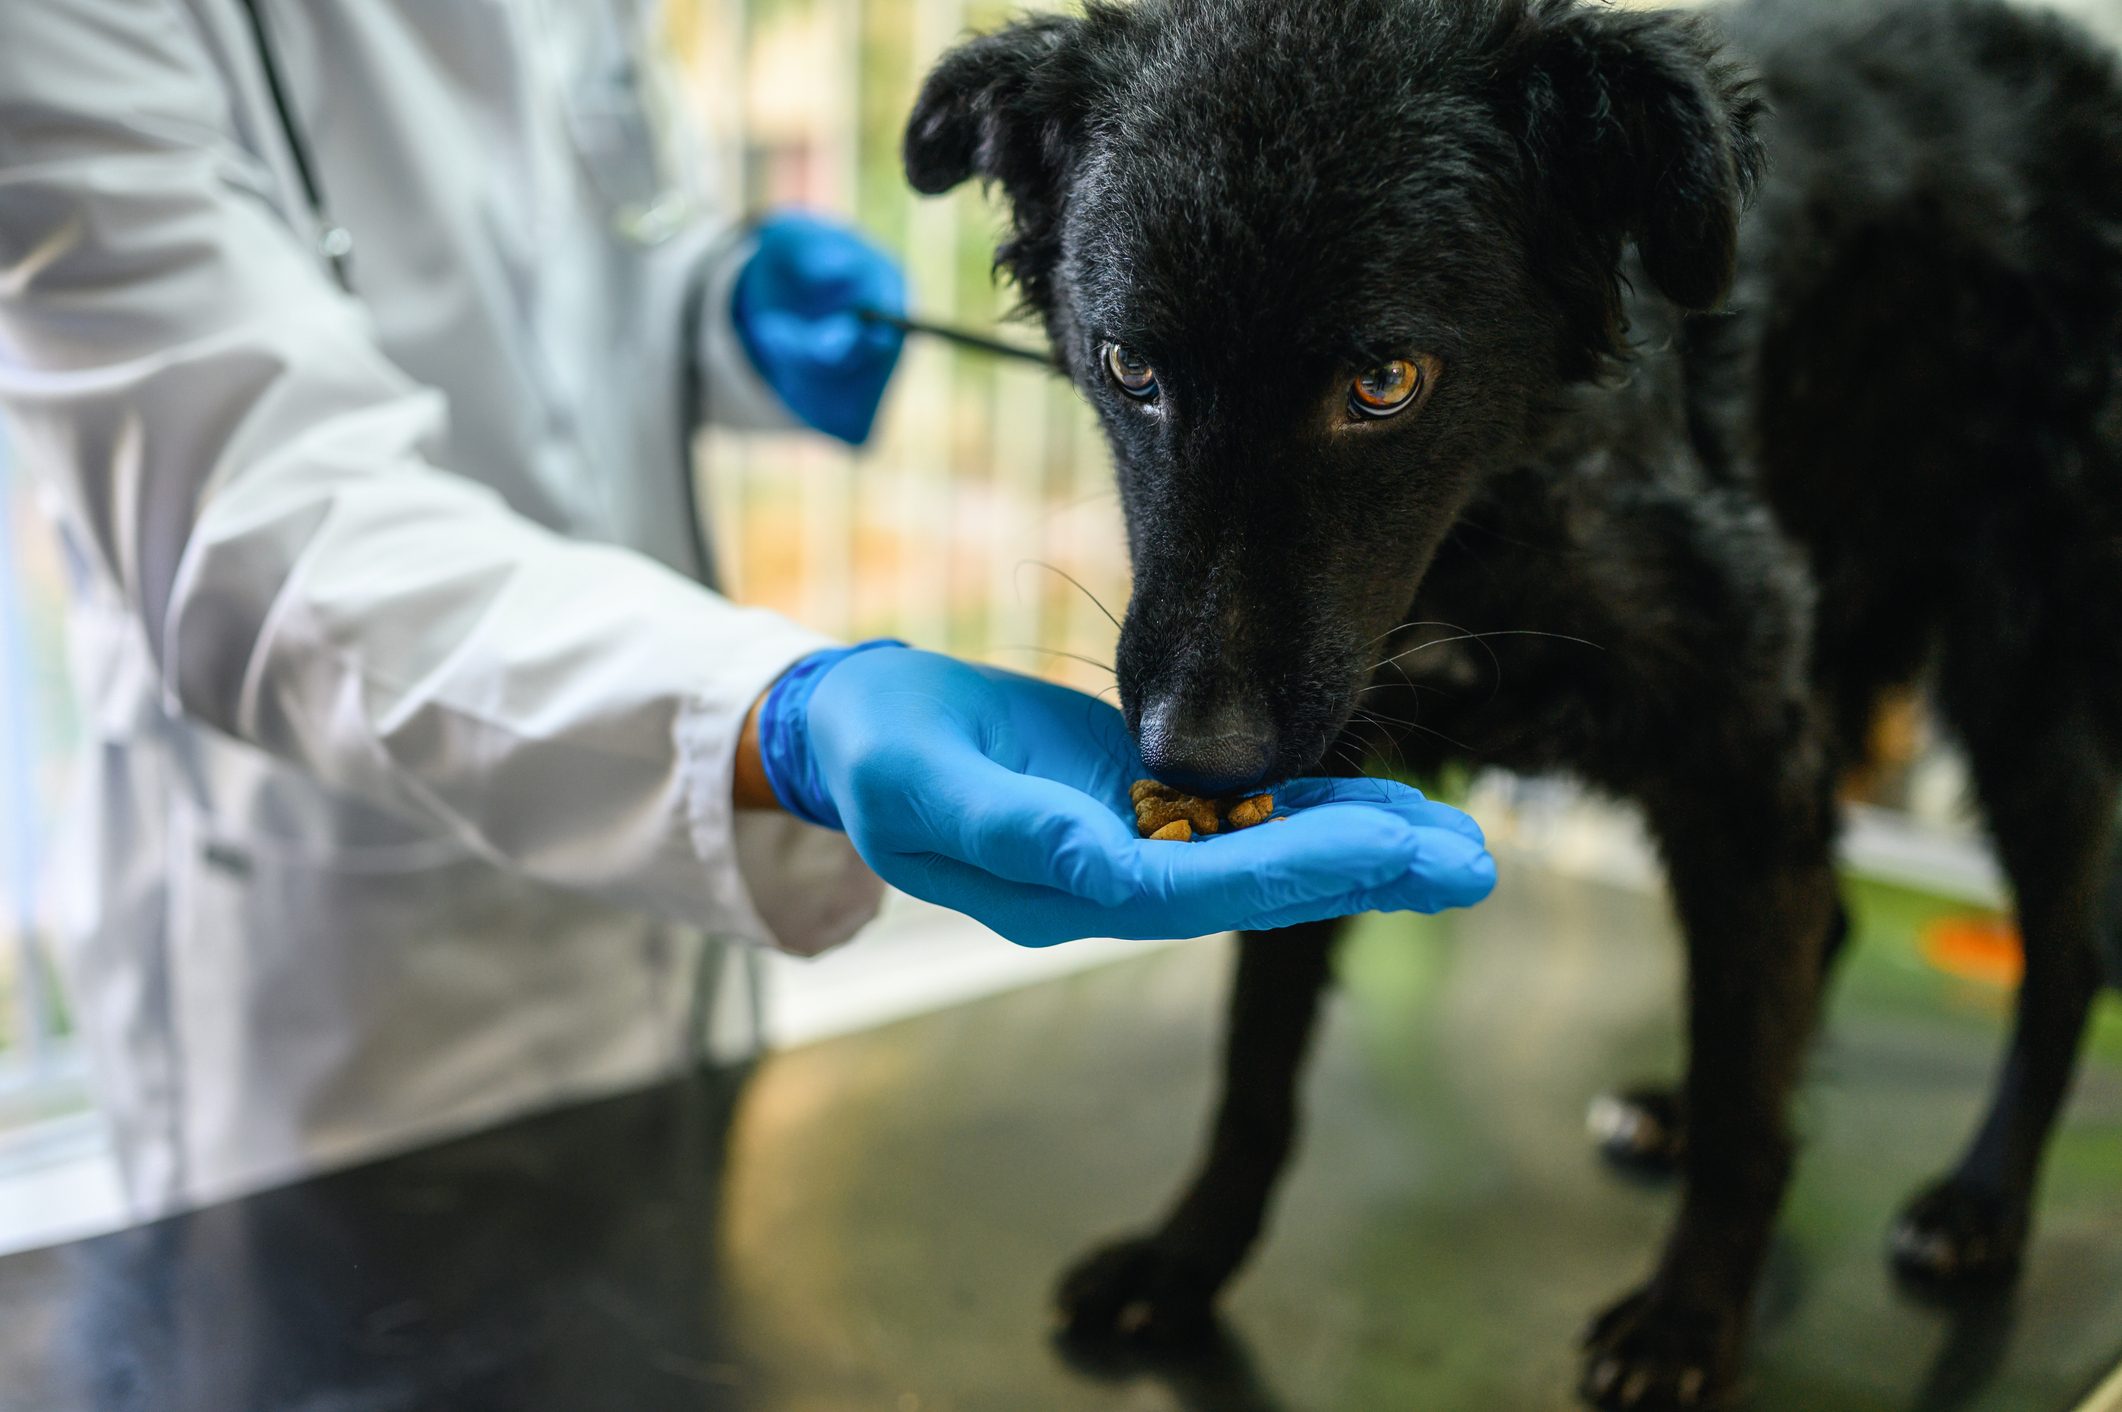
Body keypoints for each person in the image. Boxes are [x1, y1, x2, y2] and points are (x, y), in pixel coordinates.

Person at [0, 0, 1495, 1220]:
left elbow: (574, 258)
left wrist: (718, 304)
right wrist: (775, 716)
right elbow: (257, 528)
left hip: (681, 971)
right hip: (339, 998)